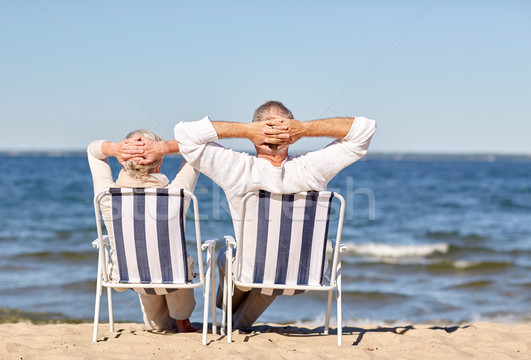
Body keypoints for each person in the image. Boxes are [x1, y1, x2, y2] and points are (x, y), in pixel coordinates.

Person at [136, 100, 377, 330]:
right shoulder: (311, 169)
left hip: (249, 272)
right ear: (291, 136)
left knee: (228, 255)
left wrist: (246, 131)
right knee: (277, 261)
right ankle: (236, 321)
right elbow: (365, 130)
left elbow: (186, 134)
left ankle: (226, 308)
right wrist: (304, 129)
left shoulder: (237, 169)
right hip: (305, 273)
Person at [87, 129, 199, 333]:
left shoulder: (106, 196)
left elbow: (93, 150)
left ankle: (158, 322)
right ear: (160, 161)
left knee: (141, 257)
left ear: (122, 160)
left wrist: (113, 148)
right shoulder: (177, 194)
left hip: (125, 274)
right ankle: (183, 320)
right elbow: (198, 148)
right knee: (175, 260)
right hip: (174, 276)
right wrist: (165, 147)